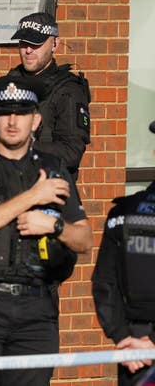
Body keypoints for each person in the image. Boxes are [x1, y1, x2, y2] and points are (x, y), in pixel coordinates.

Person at [0, 75, 93, 385]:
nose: (13, 121)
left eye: (23, 113)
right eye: (5, 113)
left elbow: (84, 240)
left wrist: (53, 225)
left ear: (36, 119)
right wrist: (33, 198)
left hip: (36, 309)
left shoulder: (53, 169)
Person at [0, 12, 91, 179]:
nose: (28, 50)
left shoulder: (67, 90)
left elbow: (71, 153)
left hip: (48, 192)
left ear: (55, 44)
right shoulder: (6, 85)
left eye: (36, 43)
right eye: (24, 43)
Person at [92, 119, 155, 386]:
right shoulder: (124, 214)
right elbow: (105, 282)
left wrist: (125, 338)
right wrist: (124, 339)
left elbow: (104, 285)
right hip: (136, 350)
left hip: (136, 347)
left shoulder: (125, 213)